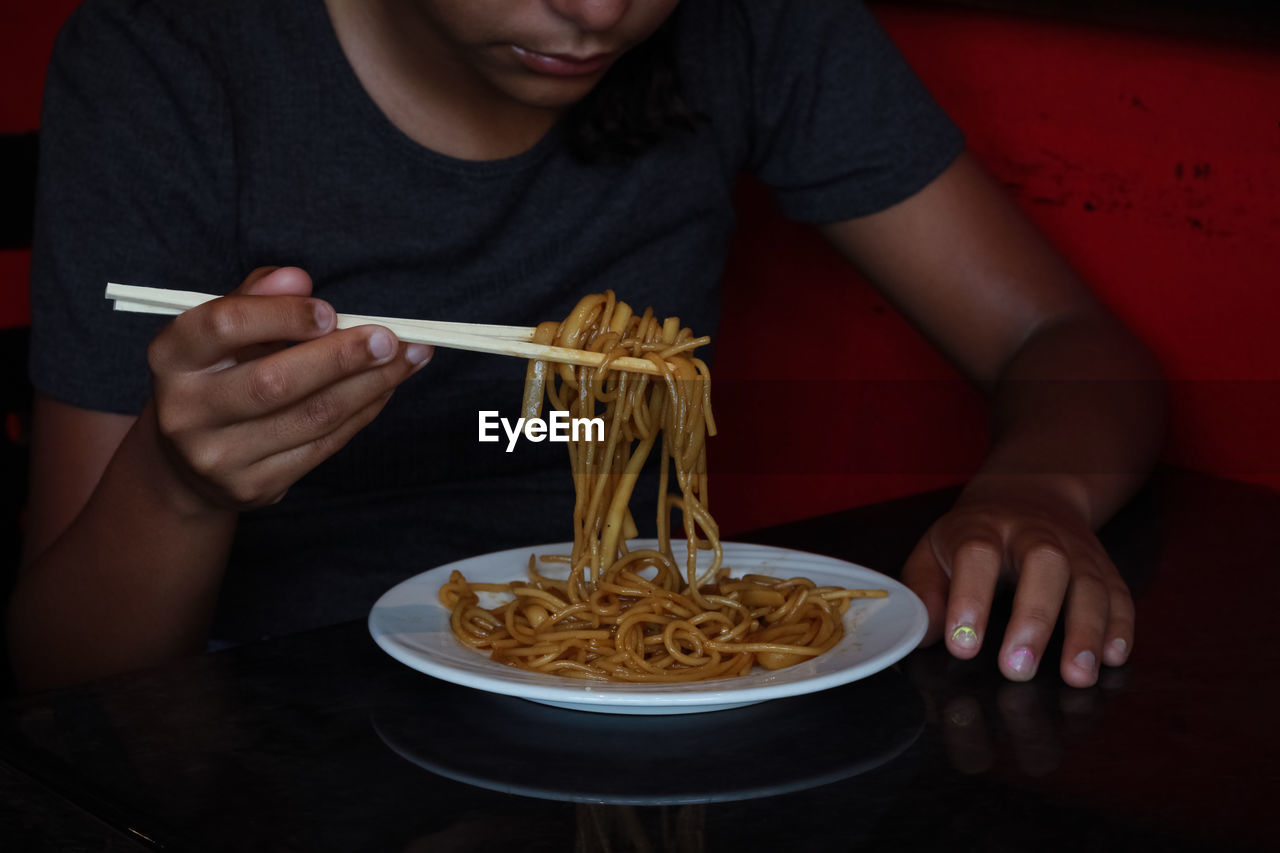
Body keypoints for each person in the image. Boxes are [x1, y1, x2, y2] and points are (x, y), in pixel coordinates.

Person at [9, 0, 1164, 693]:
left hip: (646, 687)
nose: (598, 12)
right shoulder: (172, 55)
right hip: (263, 713)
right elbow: (67, 674)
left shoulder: (745, 23)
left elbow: (1055, 338)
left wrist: (1036, 492)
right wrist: (176, 485)